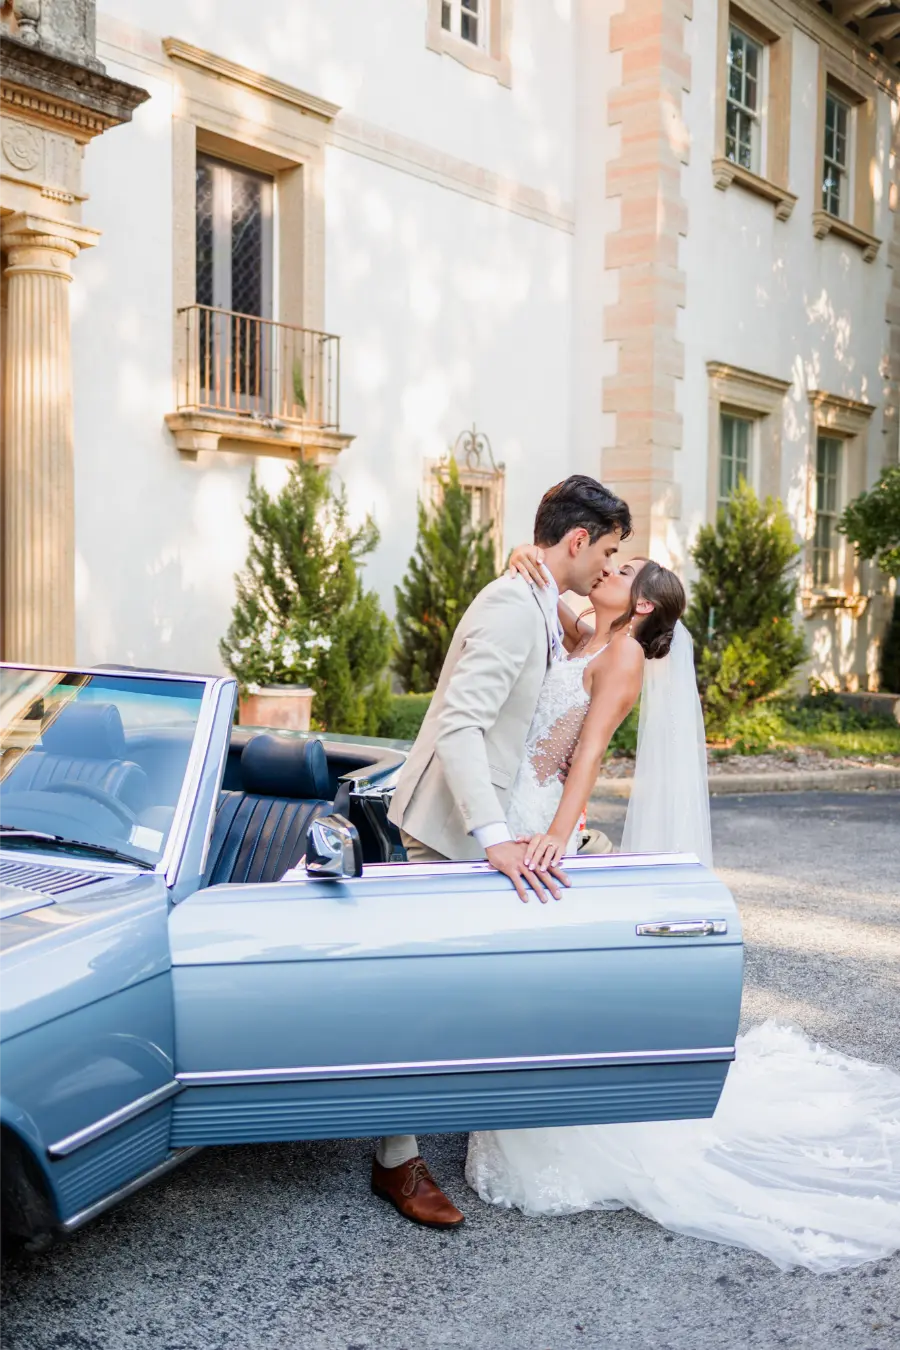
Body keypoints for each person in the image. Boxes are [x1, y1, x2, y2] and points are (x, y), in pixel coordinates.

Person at [466, 546, 900, 1275]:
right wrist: (527, 560)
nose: (606, 569)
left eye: (623, 570)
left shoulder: (624, 655)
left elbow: (591, 755)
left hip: (540, 821)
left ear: (640, 605)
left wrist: (555, 837)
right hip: (510, 809)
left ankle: (545, 1118)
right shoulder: (587, 631)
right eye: (610, 560)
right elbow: (553, 592)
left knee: (531, 979)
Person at [373, 475, 632, 1229]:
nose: (607, 565)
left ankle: (443, 1114)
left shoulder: (540, 598)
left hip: (503, 818)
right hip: (452, 827)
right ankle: (396, 1160)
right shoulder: (510, 606)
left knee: (462, 991)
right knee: (429, 995)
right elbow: (458, 726)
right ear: (578, 540)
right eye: (608, 550)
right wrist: (493, 840)